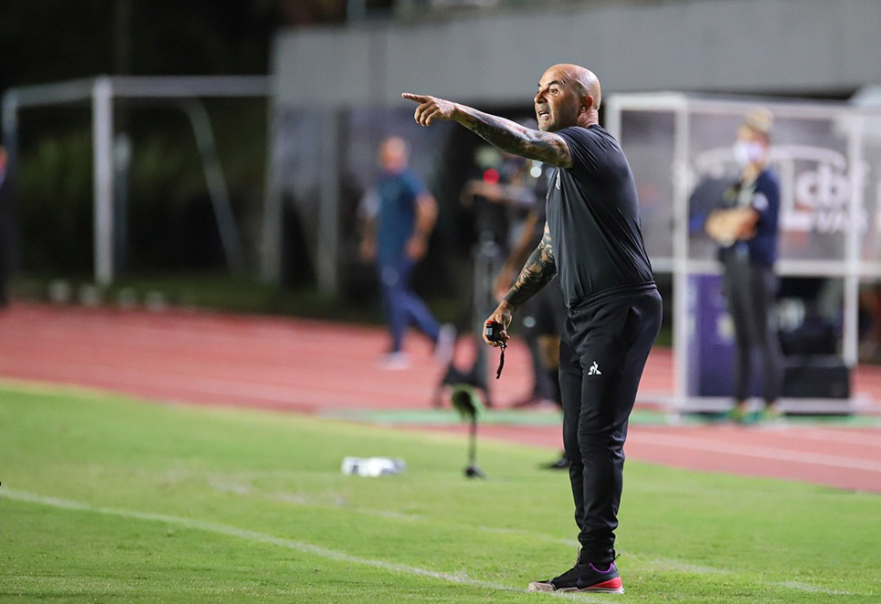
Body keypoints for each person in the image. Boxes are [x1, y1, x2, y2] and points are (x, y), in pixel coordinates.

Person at [404, 63, 662, 594]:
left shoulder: (591, 145)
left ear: (587, 102)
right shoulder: (568, 173)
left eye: (555, 88)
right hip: (585, 312)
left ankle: (600, 564)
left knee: (597, 435)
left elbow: (521, 140)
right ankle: (592, 562)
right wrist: (509, 302)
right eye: (539, 89)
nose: (542, 97)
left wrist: (457, 110)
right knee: (575, 436)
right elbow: (551, 248)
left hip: (621, 307)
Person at [704, 109, 784, 423]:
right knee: (743, 337)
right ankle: (740, 403)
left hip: (757, 266)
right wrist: (731, 223)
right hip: (734, 265)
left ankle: (772, 404)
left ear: (762, 143)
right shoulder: (739, 183)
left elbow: (745, 222)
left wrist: (734, 223)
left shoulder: (768, 181)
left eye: (748, 140)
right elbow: (716, 223)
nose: (742, 146)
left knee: (763, 333)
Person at [359, 136, 454, 369]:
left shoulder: (406, 180)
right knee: (396, 294)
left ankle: (401, 346)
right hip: (385, 246)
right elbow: (374, 213)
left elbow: (427, 207)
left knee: (397, 295)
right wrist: (370, 239)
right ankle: (435, 335)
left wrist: (419, 238)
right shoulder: (383, 180)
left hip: (400, 247)